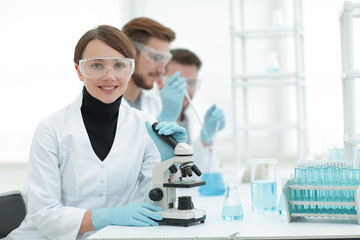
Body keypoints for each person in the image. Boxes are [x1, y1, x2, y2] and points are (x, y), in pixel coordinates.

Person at [5, 25, 187, 240]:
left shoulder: (145, 125)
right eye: (97, 65)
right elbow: (44, 214)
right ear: (79, 71)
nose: (109, 76)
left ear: (130, 70)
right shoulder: (51, 129)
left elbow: (155, 206)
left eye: (119, 65)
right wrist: (107, 216)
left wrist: (169, 164)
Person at [159, 49, 225, 170]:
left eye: (191, 82)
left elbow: (198, 170)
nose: (185, 90)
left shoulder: (195, 113)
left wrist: (206, 139)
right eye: (177, 82)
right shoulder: (151, 112)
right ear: (160, 81)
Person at [122, 17, 187, 122]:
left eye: (164, 61)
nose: (161, 70)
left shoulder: (157, 103)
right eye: (155, 58)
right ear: (130, 51)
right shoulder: (103, 101)